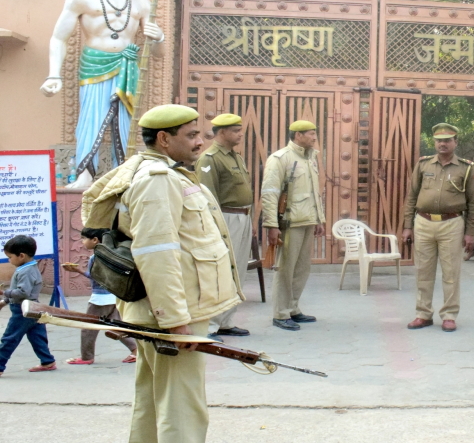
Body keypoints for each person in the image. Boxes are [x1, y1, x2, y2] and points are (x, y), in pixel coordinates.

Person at [82, 104, 244, 443]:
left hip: (161, 309)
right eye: (191, 135)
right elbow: (157, 253)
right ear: (164, 139)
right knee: (182, 407)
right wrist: (175, 321)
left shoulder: (162, 172)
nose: (200, 141)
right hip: (172, 312)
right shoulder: (158, 180)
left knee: (154, 399)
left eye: (199, 134)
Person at [41, 0, 165, 188]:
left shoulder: (140, 3)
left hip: (127, 67)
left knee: (126, 123)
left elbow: (158, 53)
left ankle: (125, 174)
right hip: (94, 65)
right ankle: (85, 176)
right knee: (91, 119)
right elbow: (58, 38)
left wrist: (159, 37)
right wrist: (53, 74)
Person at [402, 123, 474, 332]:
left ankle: (449, 315)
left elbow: (473, 203)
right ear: (434, 142)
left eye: (447, 140)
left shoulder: (466, 168)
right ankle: (423, 314)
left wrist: (470, 233)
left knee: (451, 273)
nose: (442, 144)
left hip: (452, 224)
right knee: (423, 271)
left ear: (455, 142)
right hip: (423, 222)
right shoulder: (423, 165)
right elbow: (412, 196)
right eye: (439, 140)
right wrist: (408, 225)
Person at [261, 120, 326, 331]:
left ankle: (293, 308)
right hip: (290, 222)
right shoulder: (280, 158)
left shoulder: (310, 157)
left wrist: (319, 219)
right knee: (285, 270)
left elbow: (315, 193)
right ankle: (280, 313)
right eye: (311, 133)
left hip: (307, 220)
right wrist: (271, 225)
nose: (314, 137)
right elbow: (270, 193)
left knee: (301, 269)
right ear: (298, 135)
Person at [195, 113, 253, 342]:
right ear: (221, 132)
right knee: (220, 272)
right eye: (236, 131)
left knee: (237, 271)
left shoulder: (235, 157)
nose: (240, 134)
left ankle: (226, 321)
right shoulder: (209, 158)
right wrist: (213, 228)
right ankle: (210, 325)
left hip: (242, 217)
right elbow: (207, 197)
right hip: (225, 218)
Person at [62, 227, 137, 364]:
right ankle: (135, 349)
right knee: (116, 326)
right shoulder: (111, 254)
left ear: (95, 240)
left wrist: (77, 270)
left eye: (84, 238)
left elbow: (96, 277)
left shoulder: (95, 257)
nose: (82, 242)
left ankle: (86, 357)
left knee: (88, 328)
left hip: (100, 298)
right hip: (113, 296)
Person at [0, 235, 57, 377]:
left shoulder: (26, 271)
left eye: (10, 257)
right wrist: (5, 301)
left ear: (21, 256)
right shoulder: (27, 268)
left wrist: (4, 292)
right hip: (32, 307)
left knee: (10, 338)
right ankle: (47, 361)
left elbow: (22, 292)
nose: (9, 260)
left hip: (23, 310)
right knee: (37, 336)